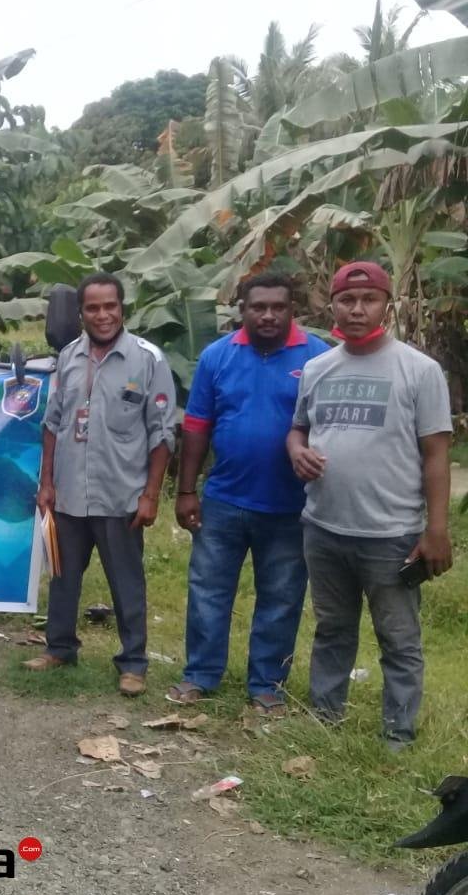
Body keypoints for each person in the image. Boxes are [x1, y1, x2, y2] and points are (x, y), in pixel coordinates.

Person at [287, 261, 453, 750]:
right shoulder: (318, 368)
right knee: (332, 629)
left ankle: (397, 734)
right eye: (347, 300)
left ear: (387, 305)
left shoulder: (419, 370)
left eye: (369, 300)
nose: (357, 310)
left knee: (398, 638)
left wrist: (436, 529)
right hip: (323, 526)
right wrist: (296, 451)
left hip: (391, 533)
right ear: (333, 306)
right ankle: (325, 718)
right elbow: (299, 428)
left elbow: (437, 454)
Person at [170, 274, 330, 714]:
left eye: (278, 307)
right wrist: (186, 490)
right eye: (258, 307)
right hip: (223, 500)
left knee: (281, 599)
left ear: (292, 310)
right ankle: (200, 674)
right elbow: (197, 426)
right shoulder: (217, 356)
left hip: (290, 506)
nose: (268, 315)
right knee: (208, 592)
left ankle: (267, 686)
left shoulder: (318, 357)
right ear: (242, 310)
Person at [33, 272, 177, 696]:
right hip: (69, 493)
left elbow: (162, 434)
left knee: (126, 581)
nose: (102, 315)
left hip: (121, 495)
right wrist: (46, 483)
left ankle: (133, 663)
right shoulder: (69, 357)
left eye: (110, 306)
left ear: (122, 308)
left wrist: (151, 496)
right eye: (92, 308)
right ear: (81, 313)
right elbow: (53, 424)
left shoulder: (147, 359)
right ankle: (59, 648)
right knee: (63, 576)